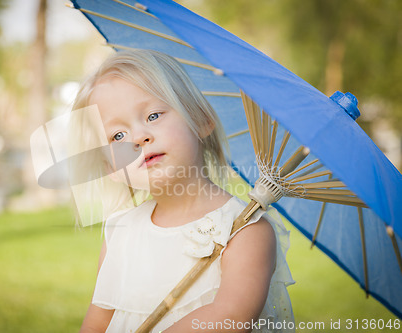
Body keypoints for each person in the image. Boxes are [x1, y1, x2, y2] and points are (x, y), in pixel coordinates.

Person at [77, 50, 294, 332]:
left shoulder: (246, 231)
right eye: (118, 136)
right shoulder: (121, 233)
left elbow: (232, 316)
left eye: (153, 115)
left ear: (201, 120)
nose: (139, 137)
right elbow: (99, 318)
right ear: (110, 166)